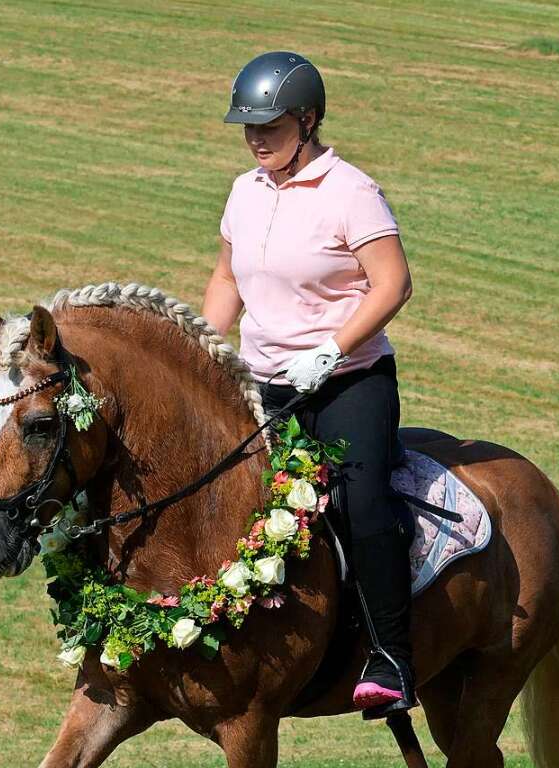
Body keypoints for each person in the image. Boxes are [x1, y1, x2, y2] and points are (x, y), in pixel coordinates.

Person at [202, 51, 415, 718]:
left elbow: (392, 284)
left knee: (361, 502)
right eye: (248, 128)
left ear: (308, 119)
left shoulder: (350, 191)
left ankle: (390, 657)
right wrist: (203, 350)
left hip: (347, 384)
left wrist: (332, 349)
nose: (256, 138)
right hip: (262, 385)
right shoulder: (245, 190)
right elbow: (228, 279)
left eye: (269, 126)